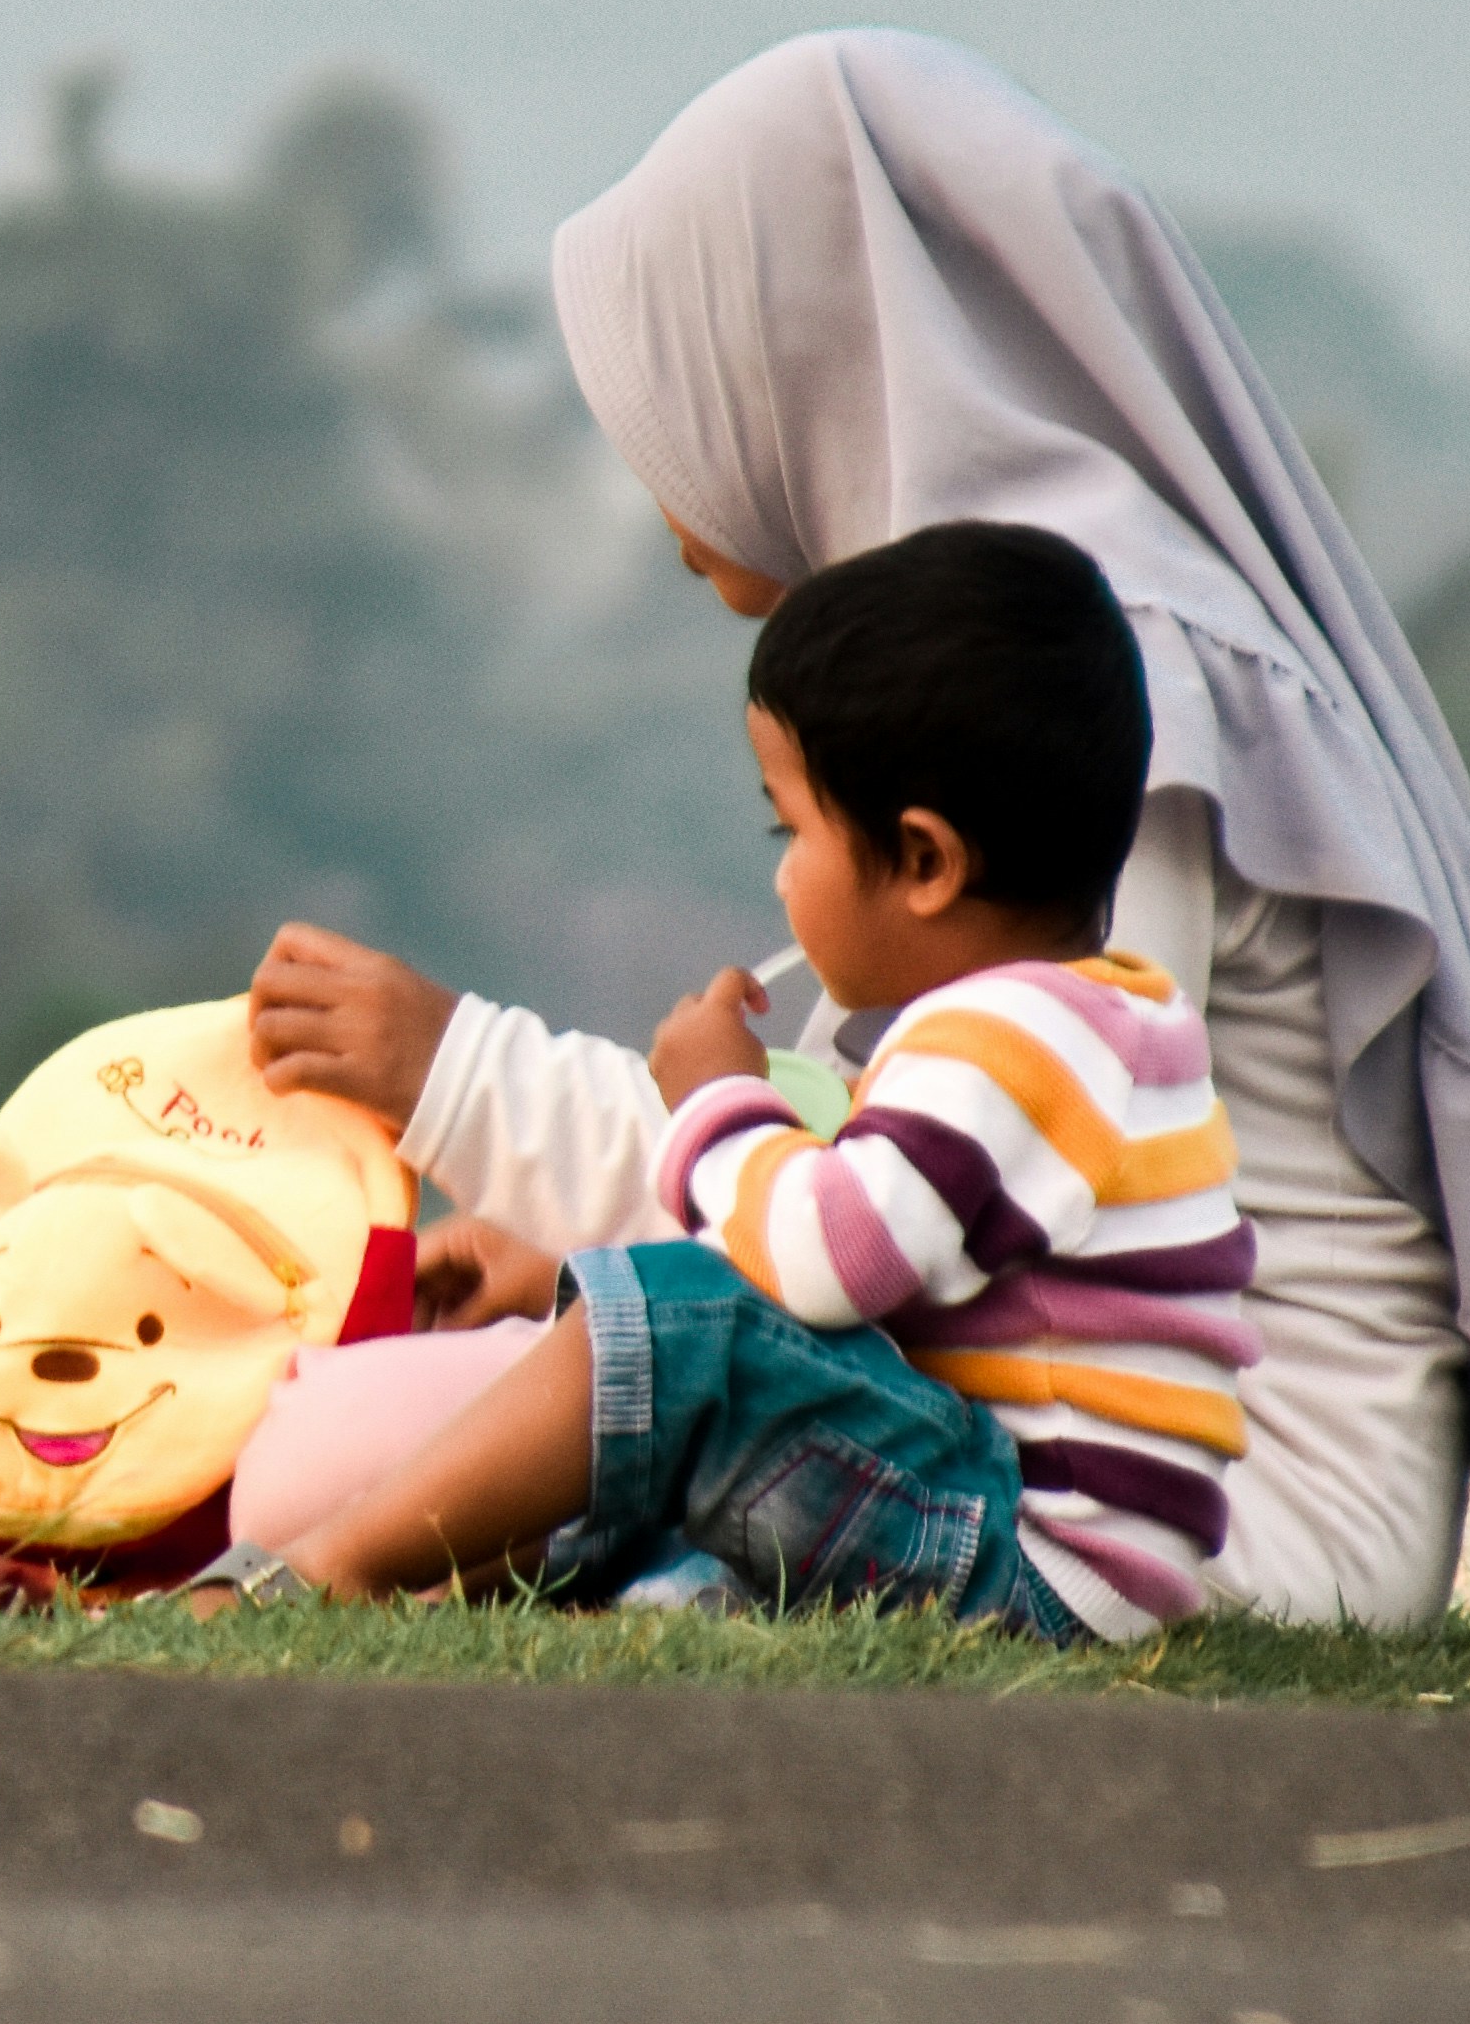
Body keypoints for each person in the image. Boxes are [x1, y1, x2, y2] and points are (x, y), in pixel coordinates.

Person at [252, 29, 1470, 1618]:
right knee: (519, 1412)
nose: (656, 483)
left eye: (669, 392)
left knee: (408, 1449)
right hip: (1064, 1439)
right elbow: (923, 1177)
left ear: (800, 354)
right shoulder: (1049, 649)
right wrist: (564, 1252)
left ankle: (297, 1585)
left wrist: (468, 1078)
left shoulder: (1119, 674)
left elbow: (930, 1204)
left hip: (1212, 1517)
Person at [203, 520, 1237, 1634]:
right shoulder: (1106, 1019)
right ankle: (550, 1587)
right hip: (1007, 1523)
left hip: (1029, 1562)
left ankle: (329, 1568)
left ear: (926, 862)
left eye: (790, 828)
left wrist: (714, 1099)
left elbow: (824, 1266)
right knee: (680, 1389)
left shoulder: (1009, 1037)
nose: (784, 875)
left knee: (683, 1327)